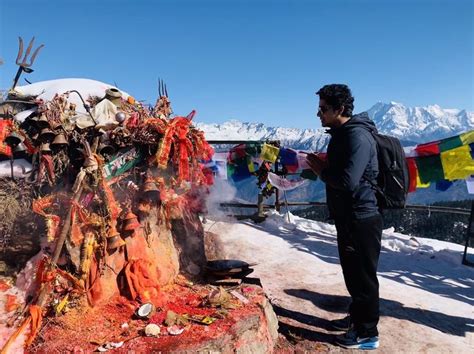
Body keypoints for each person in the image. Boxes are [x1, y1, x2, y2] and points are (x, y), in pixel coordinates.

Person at [306, 84, 383, 350]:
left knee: (362, 278)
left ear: (340, 109)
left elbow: (348, 181)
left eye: (323, 109)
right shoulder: (342, 134)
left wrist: (321, 172)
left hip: (360, 218)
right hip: (350, 217)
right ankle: (358, 319)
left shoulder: (356, 137)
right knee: (353, 275)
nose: (319, 115)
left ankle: (366, 334)